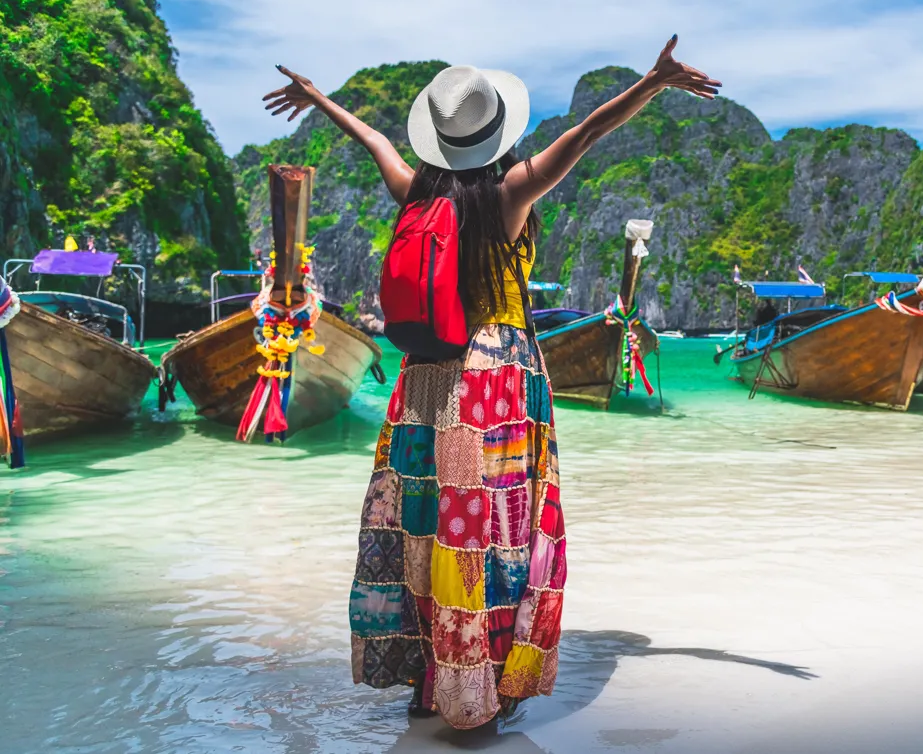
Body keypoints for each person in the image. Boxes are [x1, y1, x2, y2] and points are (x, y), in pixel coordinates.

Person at [263, 37, 719, 730]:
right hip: (493, 379)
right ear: (494, 136)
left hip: (422, 380)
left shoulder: (415, 193)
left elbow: (372, 139)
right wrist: (652, 83)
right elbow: (587, 132)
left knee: (427, 525)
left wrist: (319, 98)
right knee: (488, 531)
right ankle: (477, 690)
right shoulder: (510, 194)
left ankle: (431, 680)